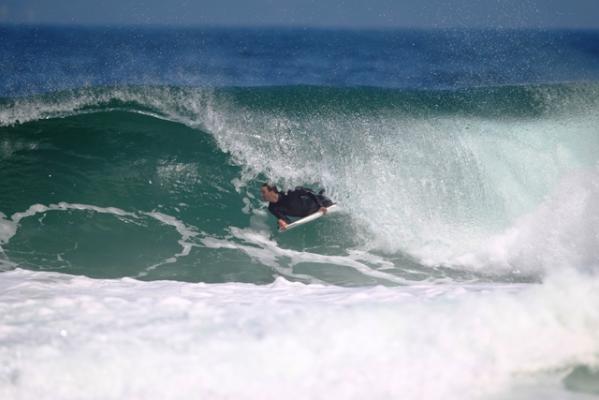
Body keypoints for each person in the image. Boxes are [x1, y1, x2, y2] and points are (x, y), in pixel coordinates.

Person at [260, 183, 333, 231]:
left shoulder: (288, 192)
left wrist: (320, 205)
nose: (261, 195)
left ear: (272, 191)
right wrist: (283, 224)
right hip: (308, 213)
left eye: (263, 192)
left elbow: (309, 193)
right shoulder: (272, 208)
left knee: (327, 200)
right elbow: (288, 221)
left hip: (321, 202)